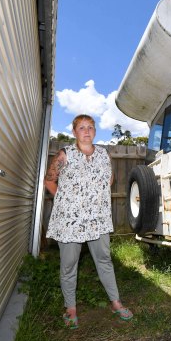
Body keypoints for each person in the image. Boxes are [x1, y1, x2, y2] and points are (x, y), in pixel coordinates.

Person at [44, 114, 133, 329]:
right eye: (81, 127)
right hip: (70, 222)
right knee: (69, 265)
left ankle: (115, 302)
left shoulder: (104, 155)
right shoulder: (65, 155)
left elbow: (109, 181)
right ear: (74, 132)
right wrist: (65, 203)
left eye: (90, 127)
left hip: (98, 221)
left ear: (95, 131)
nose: (86, 131)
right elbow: (49, 180)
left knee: (104, 260)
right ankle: (71, 308)